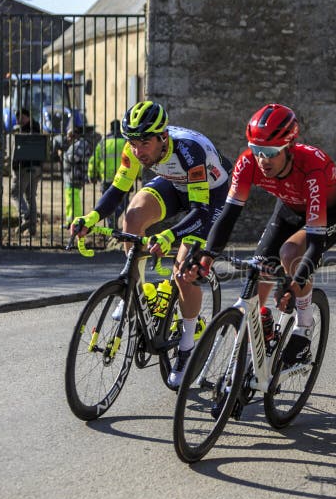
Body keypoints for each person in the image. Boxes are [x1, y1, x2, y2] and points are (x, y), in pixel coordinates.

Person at [69, 100, 232, 388]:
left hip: (210, 196)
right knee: (131, 219)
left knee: (183, 270)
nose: (137, 150)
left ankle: (186, 344)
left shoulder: (188, 150)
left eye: (144, 142)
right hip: (174, 184)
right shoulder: (133, 151)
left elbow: (200, 211)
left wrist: (168, 235)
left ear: (163, 137)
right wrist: (91, 218)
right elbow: (117, 190)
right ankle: (137, 294)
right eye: (132, 142)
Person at [184, 103, 336, 368]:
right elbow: (227, 217)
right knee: (253, 288)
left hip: (326, 214)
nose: (263, 160)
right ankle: (246, 369)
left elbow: (315, 244)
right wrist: (207, 257)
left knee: (290, 254)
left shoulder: (312, 167)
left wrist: (294, 285)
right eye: (257, 150)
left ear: (289, 147)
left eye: (271, 152)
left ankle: (304, 325)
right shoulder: (248, 162)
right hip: (287, 210)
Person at [88, 119, 128, 228]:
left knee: (107, 202)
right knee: (124, 201)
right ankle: (114, 218)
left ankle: (111, 226)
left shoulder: (103, 142)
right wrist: (138, 175)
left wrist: (92, 174)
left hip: (106, 177)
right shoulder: (125, 142)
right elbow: (133, 160)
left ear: (110, 129)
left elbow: (94, 160)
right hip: (124, 177)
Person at [10, 108, 42, 235]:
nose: (19, 120)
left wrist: (13, 166)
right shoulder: (37, 128)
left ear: (28, 117)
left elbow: (17, 151)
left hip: (24, 167)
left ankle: (26, 216)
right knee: (30, 197)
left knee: (15, 193)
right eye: (18, 118)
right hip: (37, 167)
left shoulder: (24, 130)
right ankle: (32, 228)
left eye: (22, 117)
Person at [55, 123, 92, 227]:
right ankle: (70, 221)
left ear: (73, 135)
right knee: (70, 200)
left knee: (74, 201)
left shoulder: (80, 144)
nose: (67, 138)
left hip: (74, 176)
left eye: (68, 135)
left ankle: (77, 223)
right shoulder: (77, 144)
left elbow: (74, 158)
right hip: (71, 176)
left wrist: (62, 155)